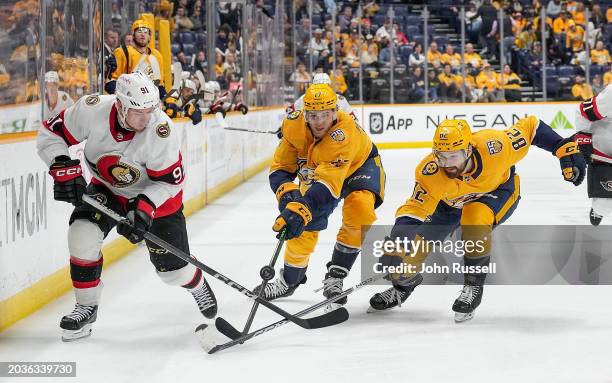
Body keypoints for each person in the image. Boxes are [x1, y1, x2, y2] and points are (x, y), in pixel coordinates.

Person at [36, 72, 217, 341]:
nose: (146, 119)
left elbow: (169, 183)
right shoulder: (92, 108)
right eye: (138, 112)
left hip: (156, 199)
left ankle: (195, 281)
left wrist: (143, 208)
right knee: (81, 234)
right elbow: (52, 133)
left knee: (172, 272)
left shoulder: (160, 130)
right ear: (120, 105)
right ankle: (86, 307)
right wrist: (62, 164)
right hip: (107, 189)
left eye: (150, 110)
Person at [368, 117, 585, 322]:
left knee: (474, 218)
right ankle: (401, 288)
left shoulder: (495, 147)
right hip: (451, 204)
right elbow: (414, 209)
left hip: (497, 192)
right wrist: (399, 242)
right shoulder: (430, 172)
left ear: (469, 149)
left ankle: (473, 286)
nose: (446, 163)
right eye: (441, 156)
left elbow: (532, 126)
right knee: (414, 248)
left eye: (453, 156)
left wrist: (560, 147)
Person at [258, 84, 385, 312]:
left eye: (325, 115)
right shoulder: (293, 125)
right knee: (303, 224)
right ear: (305, 113)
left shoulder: (343, 134)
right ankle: (289, 279)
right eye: (313, 115)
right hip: (322, 172)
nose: (319, 122)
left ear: (335, 112)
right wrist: (289, 198)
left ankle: (336, 276)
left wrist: (302, 206)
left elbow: (329, 185)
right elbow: (280, 169)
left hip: (360, 166)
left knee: (359, 210)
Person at [573, 84, 612, 225]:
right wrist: (583, 138)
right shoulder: (611, 95)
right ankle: (598, 210)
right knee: (604, 205)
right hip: (605, 153)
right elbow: (582, 111)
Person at [105, 19, 166, 98]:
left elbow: (160, 85)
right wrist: (124, 96)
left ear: (149, 36)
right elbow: (111, 82)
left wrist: (168, 100)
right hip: (128, 99)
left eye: (146, 32)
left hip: (150, 101)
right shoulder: (122, 52)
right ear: (133, 34)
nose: (143, 35)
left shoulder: (157, 55)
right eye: (139, 31)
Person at [287, 73, 356, 121]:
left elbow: (290, 111)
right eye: (319, 86)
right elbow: (290, 111)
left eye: (324, 86)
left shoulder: (340, 99)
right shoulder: (304, 98)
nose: (321, 89)